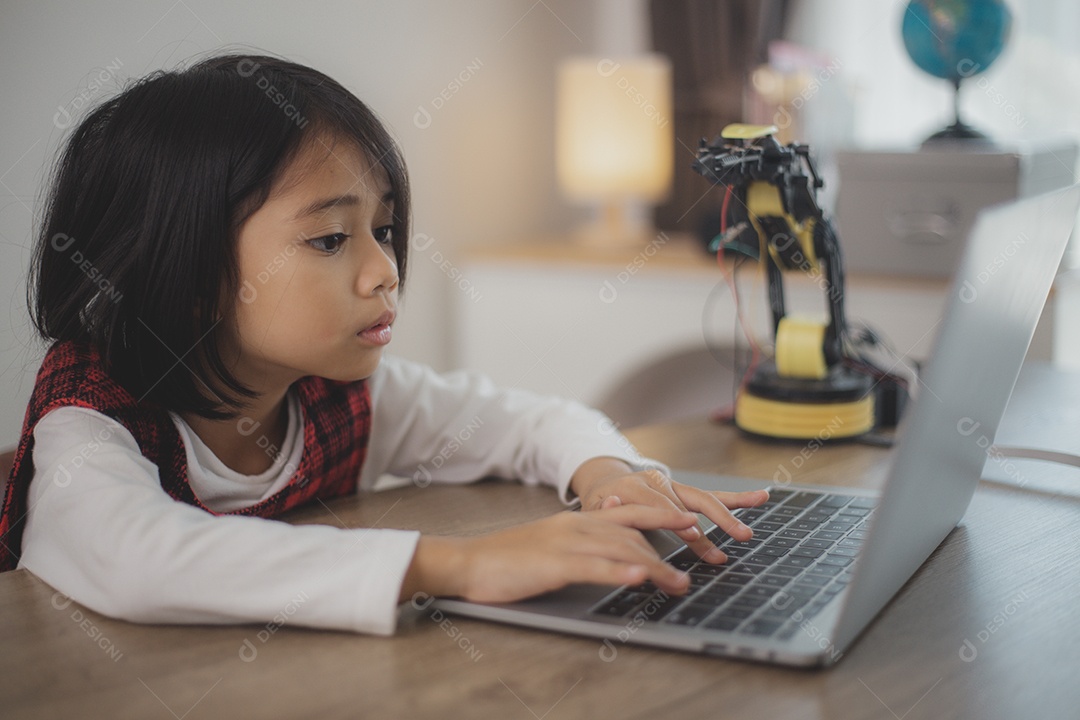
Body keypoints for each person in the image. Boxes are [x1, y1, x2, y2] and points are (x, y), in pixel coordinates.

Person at [0, 53, 766, 635]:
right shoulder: (88, 420)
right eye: (331, 238)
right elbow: (137, 560)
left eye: (386, 229)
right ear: (186, 269)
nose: (386, 271)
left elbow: (530, 421)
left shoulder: (343, 395)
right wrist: (459, 562)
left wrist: (608, 474)